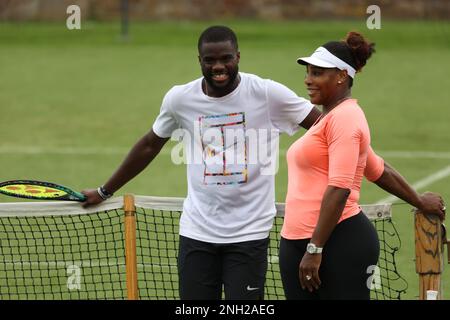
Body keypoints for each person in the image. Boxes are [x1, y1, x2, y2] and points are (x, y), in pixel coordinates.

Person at [82, 26, 445, 300]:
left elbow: (343, 142)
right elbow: (149, 144)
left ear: (238, 56)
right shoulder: (180, 99)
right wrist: (104, 190)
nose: (219, 66)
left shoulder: (269, 94)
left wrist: (413, 198)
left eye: (226, 58)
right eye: (210, 60)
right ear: (200, 62)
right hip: (196, 234)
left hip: (250, 236)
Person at [279, 31, 445, 300]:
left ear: (342, 76)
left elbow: (340, 188)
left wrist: (315, 249)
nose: (308, 80)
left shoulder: (346, 118)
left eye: (318, 73)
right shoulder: (328, 119)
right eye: (308, 72)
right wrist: (418, 199)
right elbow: (377, 168)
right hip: (300, 241)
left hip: (335, 243)